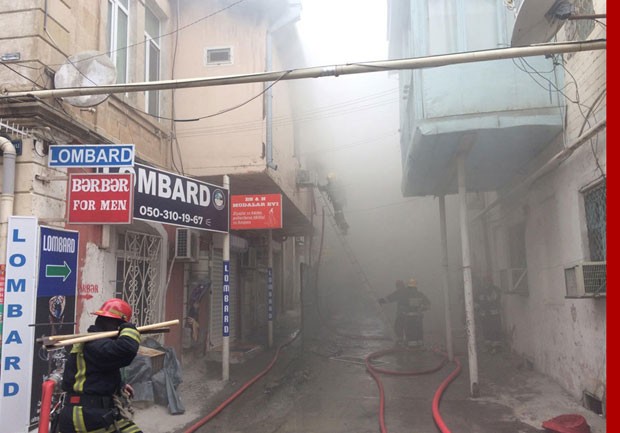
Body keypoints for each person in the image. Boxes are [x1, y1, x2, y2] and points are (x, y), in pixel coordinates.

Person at [57, 298, 142, 433]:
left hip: (88, 411)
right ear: (116, 324)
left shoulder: (94, 342)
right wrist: (129, 329)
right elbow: (126, 349)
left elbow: (94, 373)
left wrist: (119, 385)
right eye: (120, 326)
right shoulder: (96, 344)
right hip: (87, 416)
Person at [379, 278, 430, 347]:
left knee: (399, 327)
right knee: (417, 330)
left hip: (405, 315)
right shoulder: (419, 294)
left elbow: (390, 298)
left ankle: (402, 343)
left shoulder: (401, 292)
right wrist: (421, 309)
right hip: (418, 317)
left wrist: (381, 301)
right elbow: (428, 304)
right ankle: (419, 344)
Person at [474, 275, 503, 352]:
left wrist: (486, 300)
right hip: (484, 314)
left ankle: (496, 347)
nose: (486, 283)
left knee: (495, 329)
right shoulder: (480, 291)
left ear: (491, 281)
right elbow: (476, 301)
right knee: (486, 330)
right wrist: (476, 306)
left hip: (494, 314)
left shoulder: (495, 290)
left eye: (488, 281)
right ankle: (488, 347)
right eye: (485, 281)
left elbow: (495, 299)